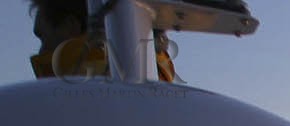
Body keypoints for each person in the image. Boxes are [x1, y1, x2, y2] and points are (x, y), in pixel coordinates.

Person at [28, 0, 179, 82]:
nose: (41, 51)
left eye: (43, 37)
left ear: (70, 26)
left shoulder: (59, 101)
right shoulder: (159, 82)